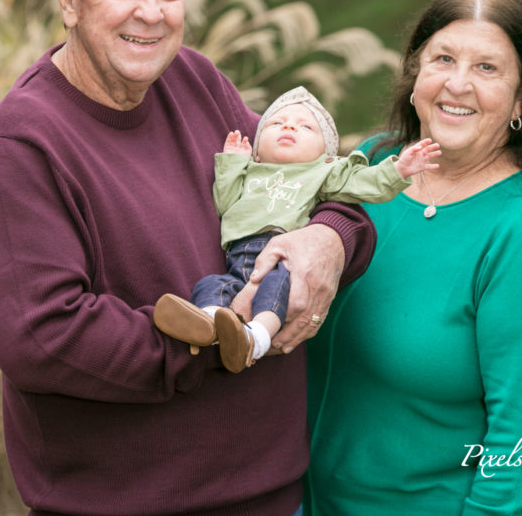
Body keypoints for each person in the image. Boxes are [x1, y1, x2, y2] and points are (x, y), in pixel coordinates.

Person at [0, 0, 376, 516]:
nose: (150, 13)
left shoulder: (196, 81)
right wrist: (215, 345)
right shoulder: (24, 143)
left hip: (271, 497)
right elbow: (43, 338)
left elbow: (319, 181)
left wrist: (331, 239)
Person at [304, 0, 522, 515]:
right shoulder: (371, 168)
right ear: (415, 74)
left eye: (487, 68)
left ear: (521, 97)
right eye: (443, 59)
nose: (458, 84)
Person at [153, 86, 440, 373]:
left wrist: (399, 170)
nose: (289, 125)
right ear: (258, 149)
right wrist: (232, 163)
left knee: (274, 290)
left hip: (284, 260)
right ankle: (208, 323)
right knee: (213, 285)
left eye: (306, 126)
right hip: (237, 259)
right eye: (276, 123)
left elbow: (364, 183)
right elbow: (225, 204)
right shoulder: (251, 172)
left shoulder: (323, 173)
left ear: (325, 153)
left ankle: (256, 338)